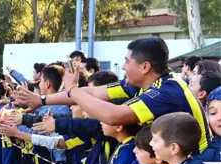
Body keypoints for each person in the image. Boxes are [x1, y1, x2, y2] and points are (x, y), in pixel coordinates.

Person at [14, 36, 211, 153]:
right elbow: (93, 92)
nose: (123, 66)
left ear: (145, 67)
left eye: (126, 61)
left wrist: (72, 89)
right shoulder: (138, 83)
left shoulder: (166, 91)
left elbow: (113, 116)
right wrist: (41, 100)